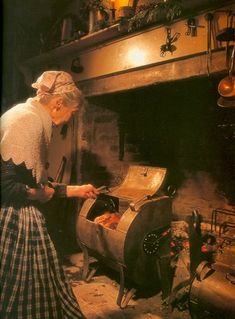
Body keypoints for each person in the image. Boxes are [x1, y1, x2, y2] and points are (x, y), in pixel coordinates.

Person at [0, 70, 99, 318]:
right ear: (58, 103)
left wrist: (76, 190)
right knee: (24, 295)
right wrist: (36, 195)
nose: (68, 120)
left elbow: (35, 182)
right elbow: (5, 186)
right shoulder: (25, 121)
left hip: (22, 213)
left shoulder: (31, 116)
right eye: (72, 114)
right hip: (13, 223)